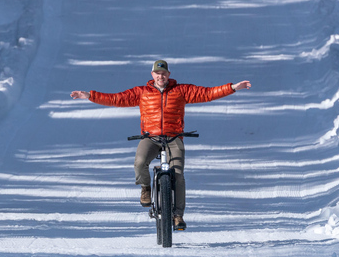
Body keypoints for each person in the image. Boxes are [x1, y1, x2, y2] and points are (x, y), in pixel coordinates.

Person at [70, 59, 251, 230]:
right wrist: (90, 96)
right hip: (151, 137)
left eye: (163, 73)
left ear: (168, 74)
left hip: (174, 137)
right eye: (157, 73)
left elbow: (207, 93)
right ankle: (146, 189)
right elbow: (116, 98)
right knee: (140, 163)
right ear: (152, 75)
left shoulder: (181, 90)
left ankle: (178, 215)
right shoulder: (141, 92)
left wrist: (233, 87)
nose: (160, 76)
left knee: (178, 175)